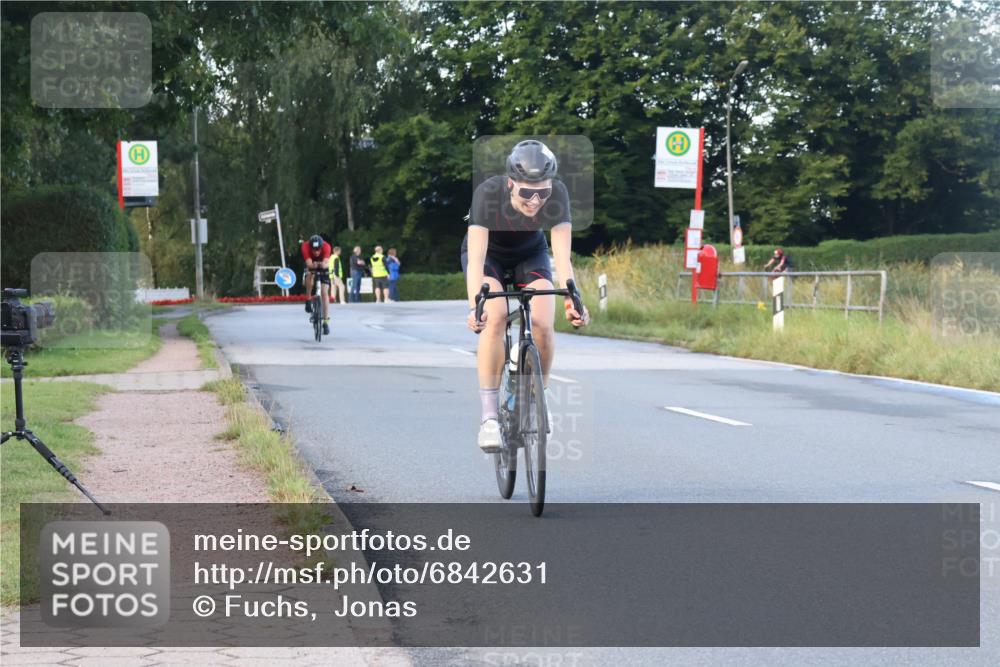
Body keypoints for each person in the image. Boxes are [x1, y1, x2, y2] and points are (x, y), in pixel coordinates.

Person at [462, 140, 589, 452]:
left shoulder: (557, 194)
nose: (535, 200)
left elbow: (562, 256)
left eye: (541, 192)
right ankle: (490, 418)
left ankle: (537, 397)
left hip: (530, 253)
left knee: (544, 322)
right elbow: (476, 259)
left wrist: (574, 299)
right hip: (489, 256)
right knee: (496, 316)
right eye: (526, 192)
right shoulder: (488, 194)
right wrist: (474, 305)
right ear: (510, 184)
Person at [301, 234, 331, 335]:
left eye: (318, 249)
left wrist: (323, 264)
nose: (316, 251)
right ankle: (308, 299)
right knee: (309, 274)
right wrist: (313, 265)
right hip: (311, 264)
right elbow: (309, 263)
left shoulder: (326, 246)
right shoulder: (305, 246)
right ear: (310, 247)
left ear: (321, 246)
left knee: (324, 293)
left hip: (323, 266)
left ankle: (326, 322)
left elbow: (326, 262)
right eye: (314, 249)